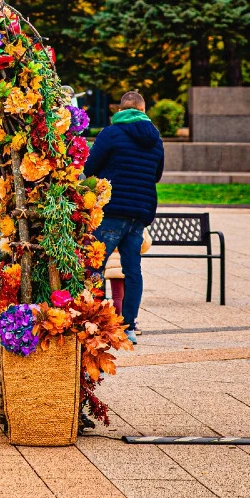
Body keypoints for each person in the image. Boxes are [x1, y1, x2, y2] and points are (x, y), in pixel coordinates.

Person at [83, 90, 164, 344]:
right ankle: (128, 327)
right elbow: (157, 175)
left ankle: (93, 323)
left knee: (95, 266)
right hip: (139, 212)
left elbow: (89, 167)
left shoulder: (111, 133)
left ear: (121, 109)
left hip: (112, 208)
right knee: (132, 271)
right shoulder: (155, 138)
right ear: (143, 109)